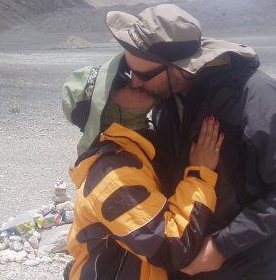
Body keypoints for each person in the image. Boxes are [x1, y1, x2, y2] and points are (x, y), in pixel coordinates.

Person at [102, 4, 276, 280]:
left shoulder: (256, 96)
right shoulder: (168, 102)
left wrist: (224, 245)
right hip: (189, 265)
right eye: (129, 71)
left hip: (252, 270)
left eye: (144, 75)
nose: (134, 82)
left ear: (181, 70)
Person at [66, 81, 224, 280]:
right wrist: (199, 175)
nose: (134, 82)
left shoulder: (138, 147)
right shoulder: (113, 174)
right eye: (118, 85)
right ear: (103, 108)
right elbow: (172, 248)